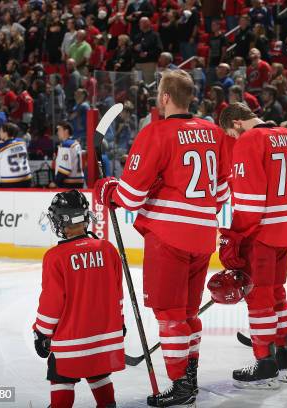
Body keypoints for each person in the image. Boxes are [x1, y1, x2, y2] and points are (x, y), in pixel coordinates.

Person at [94, 70, 231, 407]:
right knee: (187, 314)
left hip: (168, 237)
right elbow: (224, 190)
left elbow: (132, 196)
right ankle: (190, 379)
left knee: (170, 316)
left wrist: (108, 190)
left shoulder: (156, 132)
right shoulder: (214, 132)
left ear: (165, 97)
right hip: (202, 235)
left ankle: (181, 387)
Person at [218, 102, 287, 388]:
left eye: (230, 134)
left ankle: (264, 363)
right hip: (286, 230)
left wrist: (235, 236)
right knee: (278, 294)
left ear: (237, 123)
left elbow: (251, 203)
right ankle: (285, 356)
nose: (233, 140)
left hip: (261, 235)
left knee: (259, 300)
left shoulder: (248, 140)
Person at [32, 190, 124, 408]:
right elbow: (117, 296)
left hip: (71, 340)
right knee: (98, 372)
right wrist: (120, 324)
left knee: (60, 376)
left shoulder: (55, 257)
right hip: (104, 338)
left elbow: (51, 304)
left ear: (61, 220)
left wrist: (41, 332)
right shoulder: (108, 249)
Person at [0, 123, 31, 187]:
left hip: (9, 181)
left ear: (6, 133)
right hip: (26, 179)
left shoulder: (0, 147)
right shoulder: (22, 142)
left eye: (0, 131)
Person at [51, 122, 84, 189]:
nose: (57, 133)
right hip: (79, 181)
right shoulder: (76, 143)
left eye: (59, 130)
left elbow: (65, 168)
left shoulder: (66, 145)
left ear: (66, 131)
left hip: (69, 183)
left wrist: (55, 182)